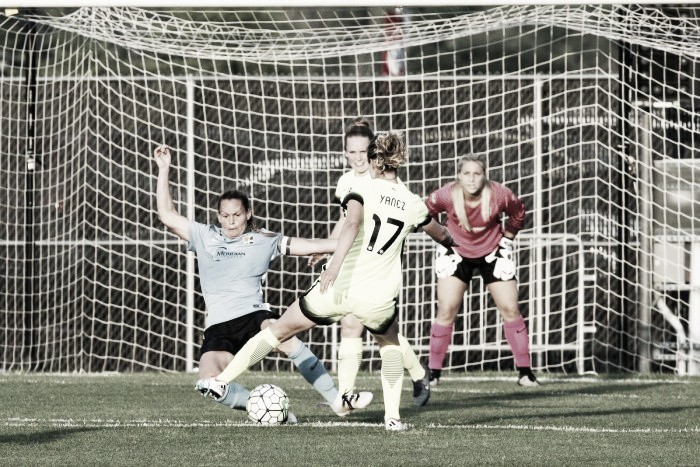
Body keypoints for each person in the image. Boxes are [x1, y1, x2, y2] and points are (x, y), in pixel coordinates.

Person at [199, 131, 455, 431]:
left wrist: (332, 265)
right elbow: (441, 234)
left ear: (374, 160)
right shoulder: (414, 203)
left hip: (339, 286)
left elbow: (351, 224)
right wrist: (452, 236)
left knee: (277, 331)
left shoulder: (362, 187)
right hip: (378, 296)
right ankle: (392, 418)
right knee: (390, 345)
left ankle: (222, 381)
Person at [153, 144, 372, 422]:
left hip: (254, 316)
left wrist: (359, 244)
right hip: (219, 326)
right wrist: (163, 170)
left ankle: (336, 400)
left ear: (248, 213)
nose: (231, 221)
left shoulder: (263, 240)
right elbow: (167, 215)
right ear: (218, 215)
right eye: (225, 215)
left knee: (284, 337)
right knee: (208, 383)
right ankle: (264, 409)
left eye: (237, 215)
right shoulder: (204, 236)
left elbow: (314, 244)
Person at [308, 118, 430, 406]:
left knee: (381, 332)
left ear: (374, 153)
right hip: (351, 261)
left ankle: (417, 372)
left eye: (363, 151)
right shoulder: (346, 181)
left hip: (377, 265)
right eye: (351, 152)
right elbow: (347, 222)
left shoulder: (385, 181)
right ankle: (346, 395)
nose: (357, 158)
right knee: (351, 324)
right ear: (345, 152)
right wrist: (327, 249)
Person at [426, 154, 539, 387]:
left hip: (492, 252)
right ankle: (433, 373)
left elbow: (519, 212)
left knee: (510, 308)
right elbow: (426, 211)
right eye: (466, 173)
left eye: (477, 173)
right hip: (456, 252)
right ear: (458, 176)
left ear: (485, 175)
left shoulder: (498, 194)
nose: (472, 179)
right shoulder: (447, 194)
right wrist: (441, 238)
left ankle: (525, 373)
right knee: (446, 309)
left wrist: (507, 240)